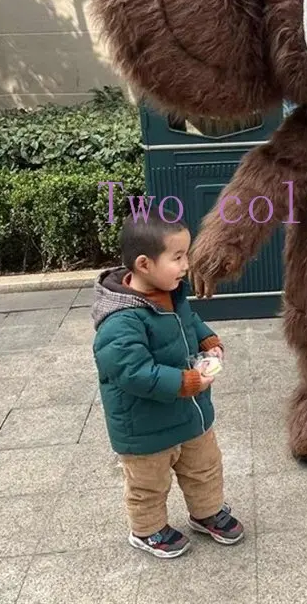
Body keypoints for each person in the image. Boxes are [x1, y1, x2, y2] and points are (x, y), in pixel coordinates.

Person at [91, 210, 244, 558]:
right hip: (145, 428)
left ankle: (207, 511)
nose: (186, 265)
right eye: (177, 257)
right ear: (144, 264)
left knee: (204, 467)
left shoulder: (172, 293)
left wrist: (207, 339)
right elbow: (134, 372)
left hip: (190, 415)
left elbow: (189, 321)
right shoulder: (120, 321)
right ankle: (147, 530)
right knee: (148, 484)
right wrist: (186, 381)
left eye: (186, 255)